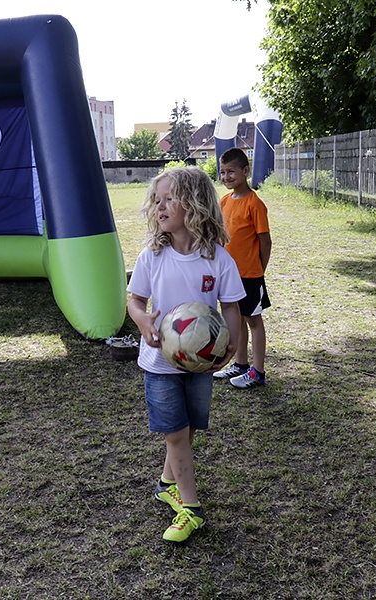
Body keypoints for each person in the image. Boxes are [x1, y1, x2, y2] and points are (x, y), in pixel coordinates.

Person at [127, 166, 244, 544]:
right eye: (156, 200)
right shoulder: (152, 257)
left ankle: (167, 483)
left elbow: (230, 309)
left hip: (202, 363)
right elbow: (135, 300)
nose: (159, 207)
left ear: (194, 205)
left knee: (189, 427)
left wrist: (232, 346)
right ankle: (191, 509)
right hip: (160, 364)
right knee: (176, 435)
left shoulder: (218, 260)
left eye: (169, 199)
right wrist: (144, 321)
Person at [213, 148, 273, 389]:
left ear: (246, 171)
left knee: (253, 320)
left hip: (250, 275)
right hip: (229, 275)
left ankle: (258, 372)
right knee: (235, 318)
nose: (227, 177)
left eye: (232, 172)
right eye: (223, 172)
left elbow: (265, 240)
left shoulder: (255, 204)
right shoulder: (225, 201)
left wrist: (260, 269)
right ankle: (241, 364)